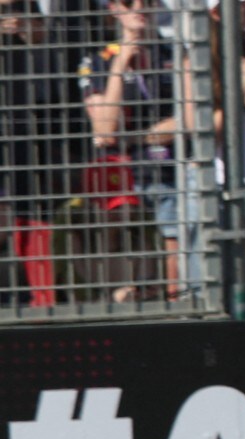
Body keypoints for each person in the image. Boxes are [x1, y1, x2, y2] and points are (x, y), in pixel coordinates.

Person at [79, 0, 187, 299]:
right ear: (114, 8)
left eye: (149, 1)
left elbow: (191, 118)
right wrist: (122, 60)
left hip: (173, 169)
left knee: (175, 239)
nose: (140, 7)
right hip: (127, 179)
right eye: (129, 1)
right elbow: (105, 129)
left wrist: (135, 136)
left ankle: (176, 306)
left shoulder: (174, 52)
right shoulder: (98, 60)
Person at [2, 0, 84, 305]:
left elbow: (66, 41)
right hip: (15, 128)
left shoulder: (66, 12)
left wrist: (27, 29)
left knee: (45, 213)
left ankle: (47, 296)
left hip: (53, 131)